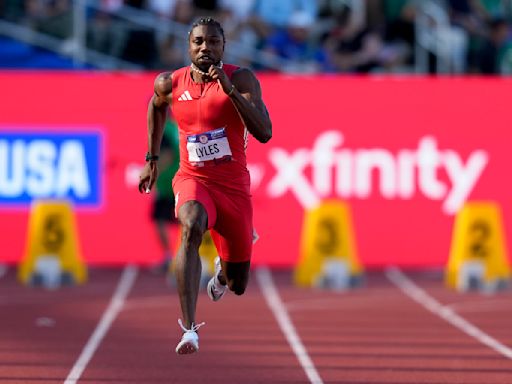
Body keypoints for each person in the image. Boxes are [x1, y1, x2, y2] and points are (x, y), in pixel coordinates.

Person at [138, 17, 272, 355]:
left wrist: (228, 88)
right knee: (190, 224)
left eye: (213, 42)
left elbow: (264, 132)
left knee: (239, 283)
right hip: (193, 179)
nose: (205, 48)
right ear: (189, 45)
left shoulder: (241, 78)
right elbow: (155, 106)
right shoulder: (170, 82)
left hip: (233, 188)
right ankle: (189, 329)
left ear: (223, 47)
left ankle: (223, 276)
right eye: (199, 41)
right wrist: (151, 160)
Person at [149, 116, 180, 274]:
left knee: (159, 219)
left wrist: (153, 175)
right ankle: (188, 255)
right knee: (184, 219)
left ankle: (170, 258)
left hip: (167, 181)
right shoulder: (175, 127)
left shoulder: (163, 129)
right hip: (180, 179)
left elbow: (167, 155)